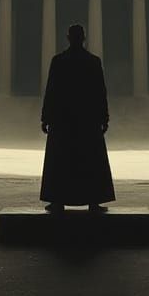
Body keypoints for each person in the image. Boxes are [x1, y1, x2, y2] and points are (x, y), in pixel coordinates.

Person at [39, 22, 116, 213]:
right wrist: (104, 117)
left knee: (60, 160)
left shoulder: (58, 61)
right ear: (83, 38)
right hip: (87, 119)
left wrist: (45, 117)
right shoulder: (93, 61)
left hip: (63, 119)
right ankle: (94, 200)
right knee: (91, 159)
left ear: (68, 38)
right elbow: (100, 93)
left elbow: (51, 91)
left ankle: (57, 200)